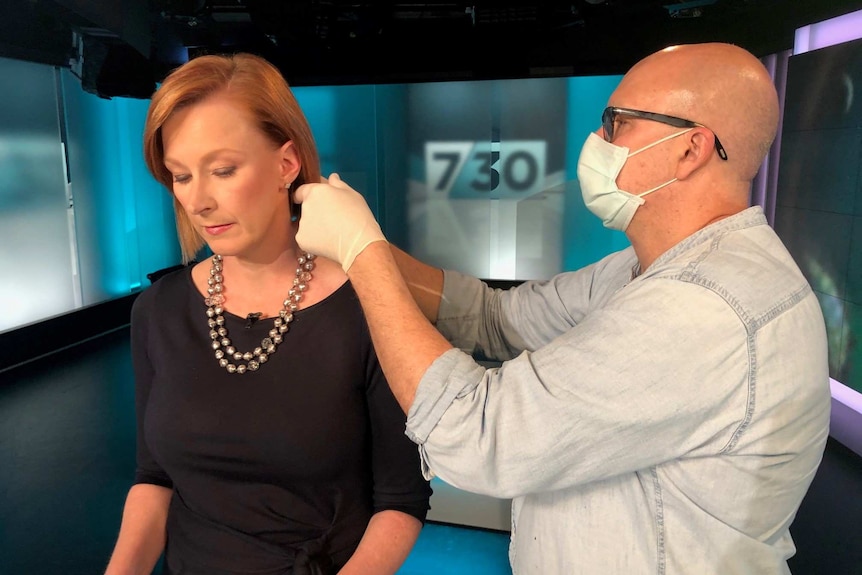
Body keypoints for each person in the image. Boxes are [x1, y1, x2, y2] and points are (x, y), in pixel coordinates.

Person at [293, 42, 832, 574]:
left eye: (617, 123)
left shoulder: (704, 308)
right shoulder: (641, 270)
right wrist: (360, 241)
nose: (596, 140)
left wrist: (361, 254)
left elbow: (480, 434)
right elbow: (494, 318)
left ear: (690, 150)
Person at [103, 52, 432, 575]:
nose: (199, 200)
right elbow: (154, 477)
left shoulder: (370, 310)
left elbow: (400, 502)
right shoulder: (159, 311)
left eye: (223, 170)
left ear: (287, 164)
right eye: (181, 176)